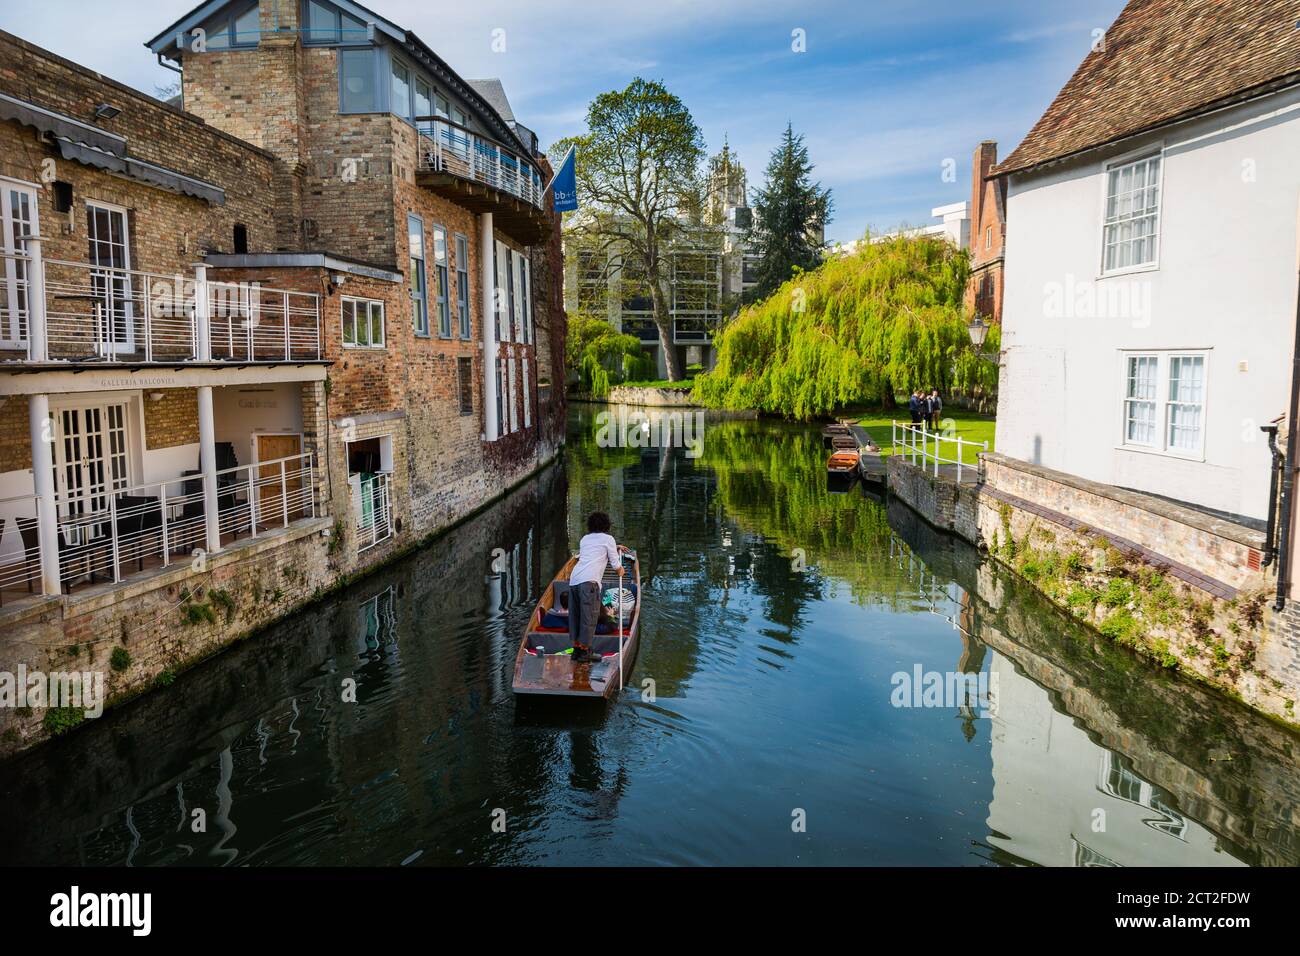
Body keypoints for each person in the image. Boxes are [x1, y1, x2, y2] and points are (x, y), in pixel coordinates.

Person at [569, 511, 626, 662]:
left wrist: (614, 546)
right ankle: (585, 652)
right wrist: (621, 570)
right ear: (606, 525)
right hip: (589, 583)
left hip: (574, 580)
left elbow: (594, 549)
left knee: (576, 616)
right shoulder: (608, 539)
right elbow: (616, 565)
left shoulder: (584, 539)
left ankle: (576, 651)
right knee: (589, 617)